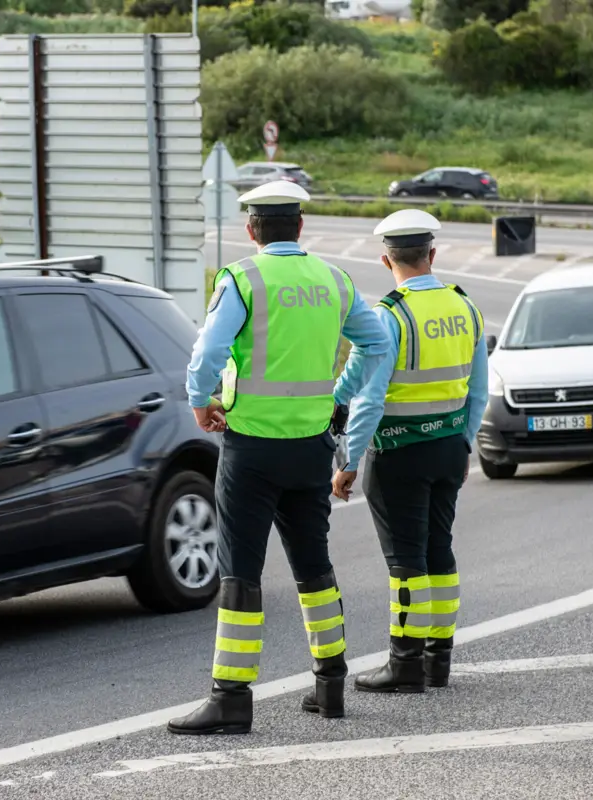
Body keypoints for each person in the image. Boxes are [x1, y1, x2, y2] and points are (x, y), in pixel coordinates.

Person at [167, 180, 394, 735]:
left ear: (252, 229)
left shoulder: (243, 279)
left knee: (241, 571)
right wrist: (338, 394)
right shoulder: (333, 279)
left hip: (251, 448)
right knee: (314, 565)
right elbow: (377, 344)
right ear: (300, 227)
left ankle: (231, 698)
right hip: (311, 447)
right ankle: (330, 685)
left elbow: (209, 350)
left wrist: (200, 400)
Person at [330, 208, 489, 695]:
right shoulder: (465, 306)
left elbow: (371, 399)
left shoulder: (391, 314)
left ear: (386, 260)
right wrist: (464, 442)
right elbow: (479, 391)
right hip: (449, 449)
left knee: (406, 561)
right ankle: (438, 662)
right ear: (432, 254)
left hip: (399, 453)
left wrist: (349, 460)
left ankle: (404, 664)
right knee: (439, 552)